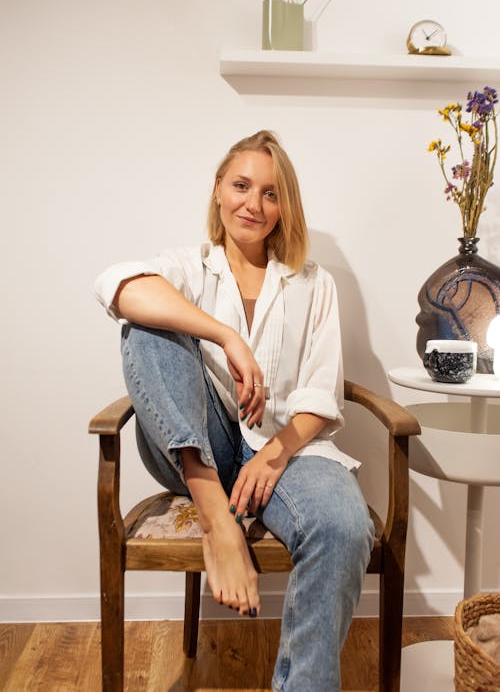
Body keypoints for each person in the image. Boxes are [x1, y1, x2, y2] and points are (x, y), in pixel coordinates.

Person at [95, 129, 374, 692]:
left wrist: (275, 453)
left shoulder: (314, 284)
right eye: (241, 185)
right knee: (147, 328)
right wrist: (226, 337)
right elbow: (114, 286)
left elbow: (322, 392)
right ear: (218, 190)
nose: (254, 203)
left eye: (271, 193)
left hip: (290, 448)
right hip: (197, 445)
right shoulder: (188, 267)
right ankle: (215, 517)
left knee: (345, 527)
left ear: (284, 207)